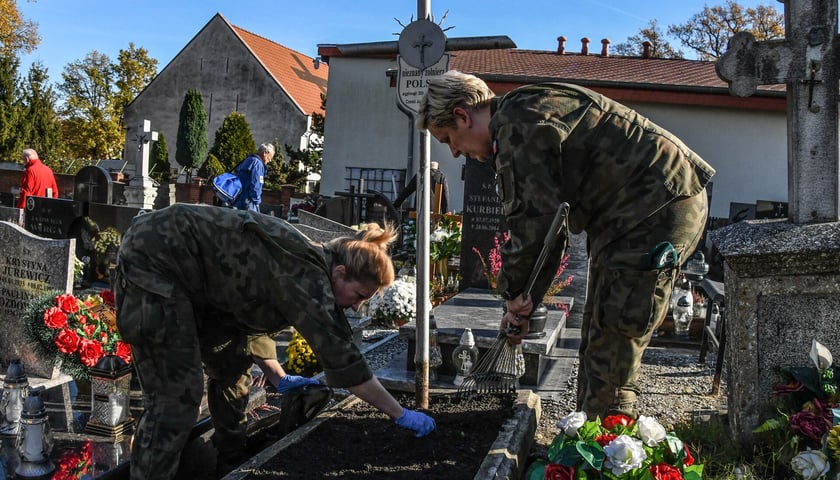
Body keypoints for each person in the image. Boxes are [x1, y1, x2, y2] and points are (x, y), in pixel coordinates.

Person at [416, 70, 714, 421]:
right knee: (599, 328)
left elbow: (534, 226)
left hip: (656, 208)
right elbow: (549, 223)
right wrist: (525, 297)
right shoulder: (519, 112)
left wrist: (515, 296)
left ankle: (610, 456)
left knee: (616, 339)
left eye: (448, 138)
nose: (454, 152)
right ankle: (584, 439)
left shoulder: (518, 126)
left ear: (462, 116)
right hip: (636, 212)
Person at [114, 204, 435, 479]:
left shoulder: (308, 264)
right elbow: (343, 359)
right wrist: (399, 414)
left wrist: (279, 377)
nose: (356, 306)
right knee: (176, 397)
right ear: (340, 273)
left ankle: (229, 463)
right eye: (359, 296)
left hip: (195, 277)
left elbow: (248, 321)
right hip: (157, 259)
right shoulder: (308, 277)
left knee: (231, 367)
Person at [232, 142, 274, 212]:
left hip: (238, 199)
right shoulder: (258, 164)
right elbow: (255, 186)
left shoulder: (249, 160)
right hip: (248, 202)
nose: (270, 160)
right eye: (270, 157)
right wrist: (257, 202)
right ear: (265, 153)